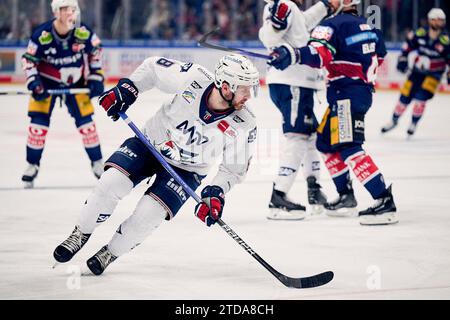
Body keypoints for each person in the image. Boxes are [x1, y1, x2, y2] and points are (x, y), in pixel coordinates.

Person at [53, 54, 260, 275]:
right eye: (244, 88)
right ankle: (81, 233)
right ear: (226, 87)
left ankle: (110, 252)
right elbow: (153, 67)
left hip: (188, 170)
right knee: (111, 183)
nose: (249, 95)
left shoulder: (245, 124)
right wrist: (129, 88)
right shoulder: (194, 77)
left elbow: (233, 170)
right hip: (149, 144)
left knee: (148, 215)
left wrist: (216, 192)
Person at [268, 0, 398, 225]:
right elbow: (381, 56)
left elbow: (319, 55)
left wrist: (291, 54)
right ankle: (346, 195)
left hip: (345, 96)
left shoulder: (332, 25)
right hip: (360, 93)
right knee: (325, 143)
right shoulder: (370, 28)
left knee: (349, 146)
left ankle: (383, 198)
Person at [258, 0, 340, 220]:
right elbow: (269, 38)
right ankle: (279, 196)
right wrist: (276, 24)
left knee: (310, 135)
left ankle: (313, 189)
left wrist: (325, 6)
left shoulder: (292, 9)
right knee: (298, 137)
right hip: (291, 83)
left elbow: (304, 22)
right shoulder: (282, 4)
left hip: (299, 84)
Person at [21, 0, 105, 188]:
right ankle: (32, 165)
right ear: (55, 12)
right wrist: (34, 82)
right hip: (46, 84)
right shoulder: (41, 35)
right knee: (38, 125)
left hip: (75, 83)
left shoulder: (83, 32)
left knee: (87, 125)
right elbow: (29, 61)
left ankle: (97, 162)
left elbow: (96, 52)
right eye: (64, 9)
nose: (69, 13)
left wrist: (96, 77)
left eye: (72, 9)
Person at [381, 8, 449, 137]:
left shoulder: (446, 40)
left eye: (441, 20)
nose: (439, 22)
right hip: (416, 72)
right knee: (404, 97)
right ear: (430, 20)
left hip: (434, 75)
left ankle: (413, 123)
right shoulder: (420, 33)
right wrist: (402, 59)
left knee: (420, 99)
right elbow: (407, 47)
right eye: (436, 19)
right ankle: (394, 121)